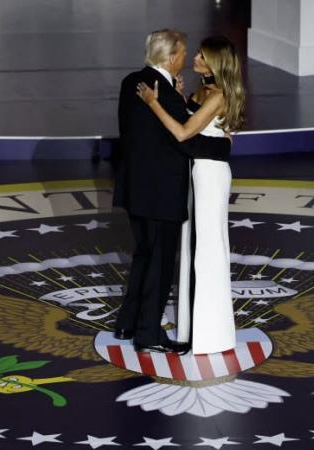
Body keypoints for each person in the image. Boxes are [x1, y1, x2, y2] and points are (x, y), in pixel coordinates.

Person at [112, 29, 227, 353]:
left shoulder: (130, 82)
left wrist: (178, 99)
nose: (187, 58)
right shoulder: (165, 94)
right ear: (172, 56)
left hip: (135, 188)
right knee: (159, 264)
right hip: (162, 192)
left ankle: (126, 323)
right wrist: (225, 147)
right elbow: (185, 139)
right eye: (185, 52)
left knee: (144, 255)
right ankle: (148, 334)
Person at [136, 36, 245, 354]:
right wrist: (181, 98)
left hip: (210, 177)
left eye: (201, 55)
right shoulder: (203, 91)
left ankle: (212, 335)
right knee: (192, 250)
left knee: (208, 251)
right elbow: (201, 130)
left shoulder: (220, 95)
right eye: (196, 53)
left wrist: (154, 102)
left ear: (215, 63)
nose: (195, 58)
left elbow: (184, 133)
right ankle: (194, 330)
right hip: (197, 173)